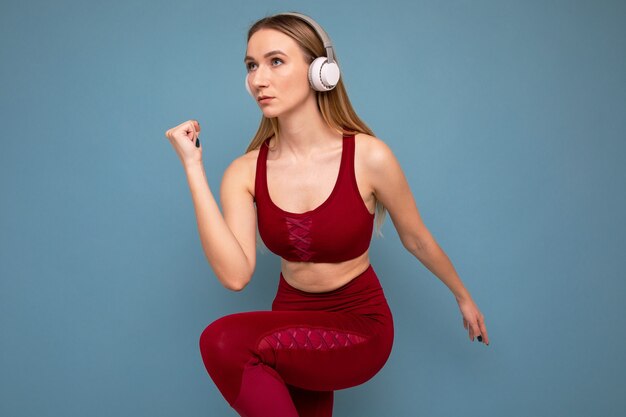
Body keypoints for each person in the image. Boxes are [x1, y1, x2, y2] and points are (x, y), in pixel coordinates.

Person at [164, 12, 489, 417]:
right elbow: (235, 275)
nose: (258, 79)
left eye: (275, 61)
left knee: (222, 340)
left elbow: (416, 237)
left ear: (321, 71)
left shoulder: (369, 156)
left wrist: (463, 297)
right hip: (290, 323)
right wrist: (193, 168)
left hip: (358, 327)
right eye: (251, 65)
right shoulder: (244, 172)